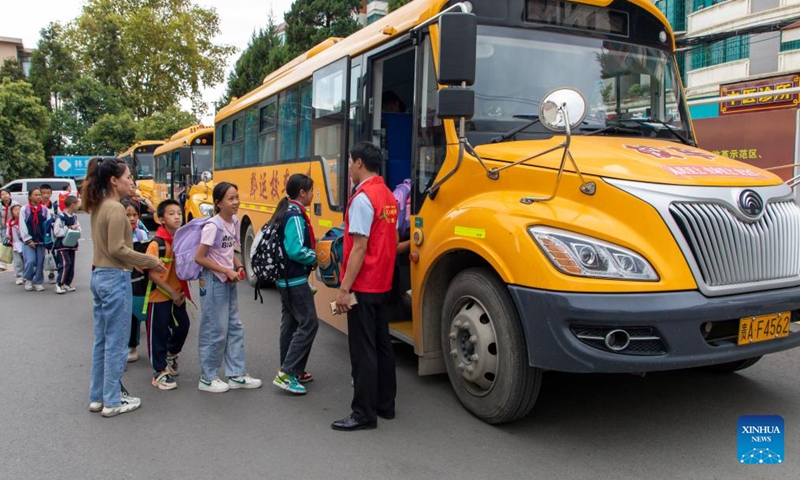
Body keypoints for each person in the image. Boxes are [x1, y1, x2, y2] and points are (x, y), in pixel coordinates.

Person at [83, 157, 166, 418]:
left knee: (103, 341)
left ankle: (98, 396)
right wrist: (148, 259)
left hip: (99, 277)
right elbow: (117, 249)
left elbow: (109, 249)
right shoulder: (116, 208)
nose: (131, 180)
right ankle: (112, 400)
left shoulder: (98, 205)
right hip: (114, 278)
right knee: (117, 343)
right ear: (113, 180)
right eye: (128, 176)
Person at [332, 141, 399, 432]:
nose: (348, 167)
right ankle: (385, 405)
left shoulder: (362, 198)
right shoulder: (387, 195)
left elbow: (359, 247)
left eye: (349, 161)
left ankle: (363, 413)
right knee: (383, 346)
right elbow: (390, 241)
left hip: (364, 283)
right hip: (383, 283)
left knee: (363, 351)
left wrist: (344, 289)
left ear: (359, 163)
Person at [194, 182, 262, 393]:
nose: (236, 202)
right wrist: (226, 271)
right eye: (231, 199)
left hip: (227, 280)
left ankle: (236, 374)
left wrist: (238, 264)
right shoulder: (212, 226)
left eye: (237, 197)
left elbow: (227, 248)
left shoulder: (233, 221)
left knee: (234, 327)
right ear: (218, 203)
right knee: (215, 328)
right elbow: (200, 257)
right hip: (214, 281)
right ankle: (208, 377)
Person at [269, 174, 318, 395]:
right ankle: (287, 373)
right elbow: (296, 249)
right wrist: (316, 257)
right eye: (311, 190)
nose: (313, 195)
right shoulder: (296, 215)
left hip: (285, 279)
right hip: (295, 279)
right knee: (309, 323)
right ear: (302, 192)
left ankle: (291, 368)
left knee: (290, 324)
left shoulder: (285, 209)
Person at [145, 199, 190, 391]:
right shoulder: (157, 244)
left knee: (183, 327)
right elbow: (152, 274)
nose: (177, 216)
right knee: (158, 334)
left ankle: (171, 354)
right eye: (171, 214)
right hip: (159, 297)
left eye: (178, 213)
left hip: (177, 296)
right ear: (161, 219)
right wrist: (171, 292)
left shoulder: (182, 240)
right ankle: (160, 371)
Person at [122, 199, 150, 363]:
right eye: (127, 215)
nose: (132, 218)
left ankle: (140, 346)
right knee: (126, 314)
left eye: (135, 215)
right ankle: (128, 346)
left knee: (140, 311)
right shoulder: (116, 234)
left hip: (141, 279)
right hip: (123, 277)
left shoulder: (142, 234)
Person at [19, 187, 50, 292]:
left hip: (41, 240)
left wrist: (47, 237)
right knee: (31, 260)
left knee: (40, 261)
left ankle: (38, 281)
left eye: (39, 195)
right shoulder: (25, 209)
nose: (38, 197)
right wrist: (28, 239)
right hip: (29, 240)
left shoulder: (44, 209)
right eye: (35, 195)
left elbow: (48, 223)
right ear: (30, 196)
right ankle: (28, 278)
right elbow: (22, 225)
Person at [52, 196, 81, 294]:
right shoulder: (61, 217)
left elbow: (79, 229)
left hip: (72, 244)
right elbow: (57, 231)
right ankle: (59, 283)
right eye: (77, 204)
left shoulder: (74, 217)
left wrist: (76, 230)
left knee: (71, 264)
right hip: (62, 245)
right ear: (73, 205)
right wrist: (69, 228)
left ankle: (67, 283)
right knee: (65, 263)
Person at [40, 183, 59, 284]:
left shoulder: (55, 207)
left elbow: (59, 218)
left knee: (52, 253)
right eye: (43, 193)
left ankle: (52, 272)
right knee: (41, 255)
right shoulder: (38, 206)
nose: (45, 195)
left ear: (51, 194)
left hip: (52, 234)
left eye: (48, 193)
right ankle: (39, 274)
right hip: (39, 234)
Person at [1, 188, 19, 271]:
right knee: (3, 244)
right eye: (2, 195)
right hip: (3, 227)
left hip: (13, 227)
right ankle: (3, 262)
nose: (5, 196)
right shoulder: (0, 206)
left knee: (13, 245)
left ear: (10, 195)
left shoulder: (15, 204)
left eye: (6, 194)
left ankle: (15, 260)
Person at [6, 204, 24, 284]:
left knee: (26, 260)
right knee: (17, 261)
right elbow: (8, 233)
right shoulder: (10, 223)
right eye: (15, 210)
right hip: (16, 244)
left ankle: (26, 275)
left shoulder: (24, 220)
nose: (17, 211)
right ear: (12, 212)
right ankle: (19, 276)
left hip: (25, 243)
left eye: (19, 209)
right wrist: (8, 236)